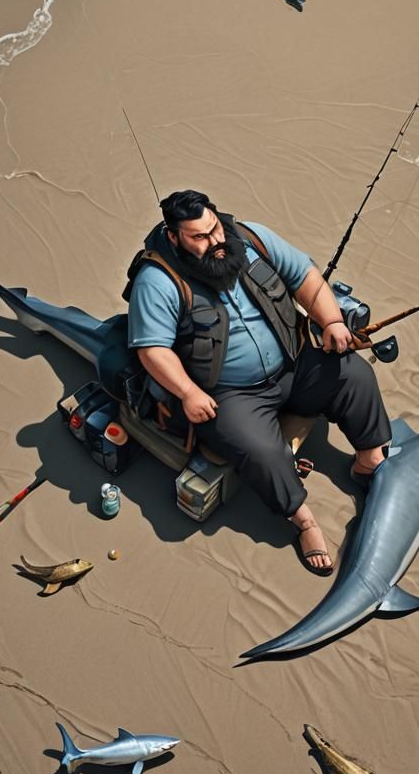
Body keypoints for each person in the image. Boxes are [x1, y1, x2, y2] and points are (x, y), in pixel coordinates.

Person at [126, 189, 391, 572]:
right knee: (261, 451)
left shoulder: (250, 239)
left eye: (215, 229)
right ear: (174, 237)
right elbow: (152, 349)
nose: (215, 242)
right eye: (199, 237)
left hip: (292, 363)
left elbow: (306, 277)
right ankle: (303, 520)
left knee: (354, 373)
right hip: (230, 394)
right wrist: (188, 393)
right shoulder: (157, 281)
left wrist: (331, 321)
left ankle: (368, 461)